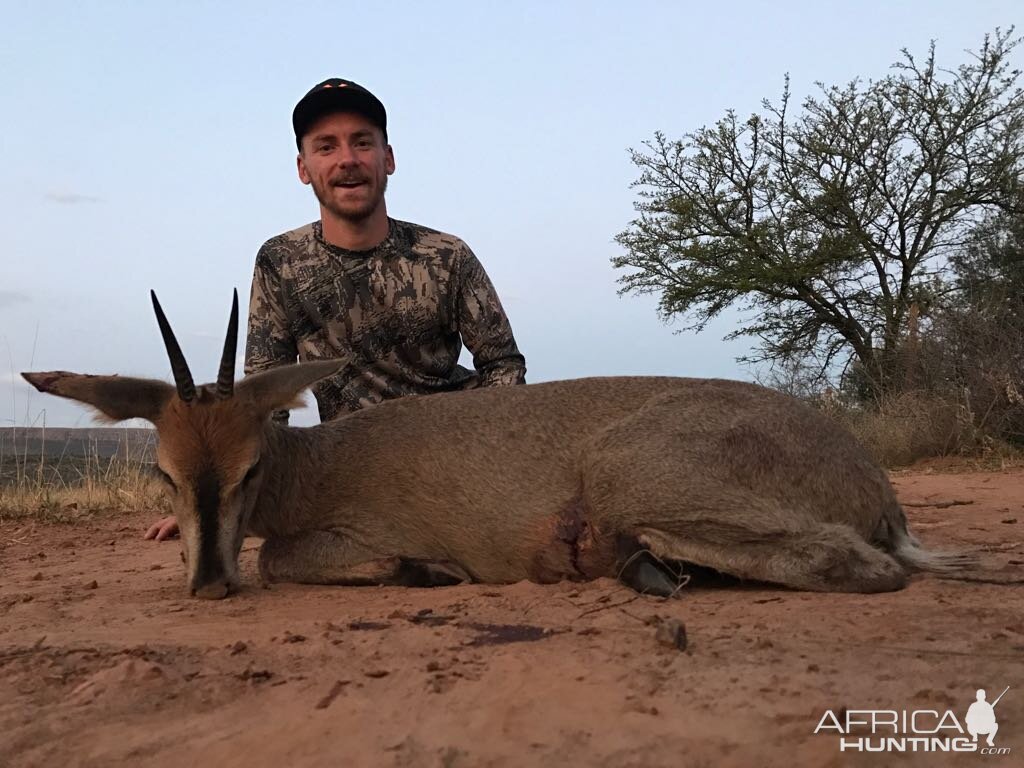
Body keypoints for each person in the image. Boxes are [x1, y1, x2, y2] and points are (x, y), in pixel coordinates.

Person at [146, 77, 526, 541]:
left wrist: (478, 450)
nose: (347, 159)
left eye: (362, 143)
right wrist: (215, 506)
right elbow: (264, 401)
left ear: (387, 158)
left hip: (452, 460)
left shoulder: (447, 255)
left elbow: (502, 364)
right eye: (326, 147)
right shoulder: (280, 261)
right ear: (304, 168)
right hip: (351, 470)